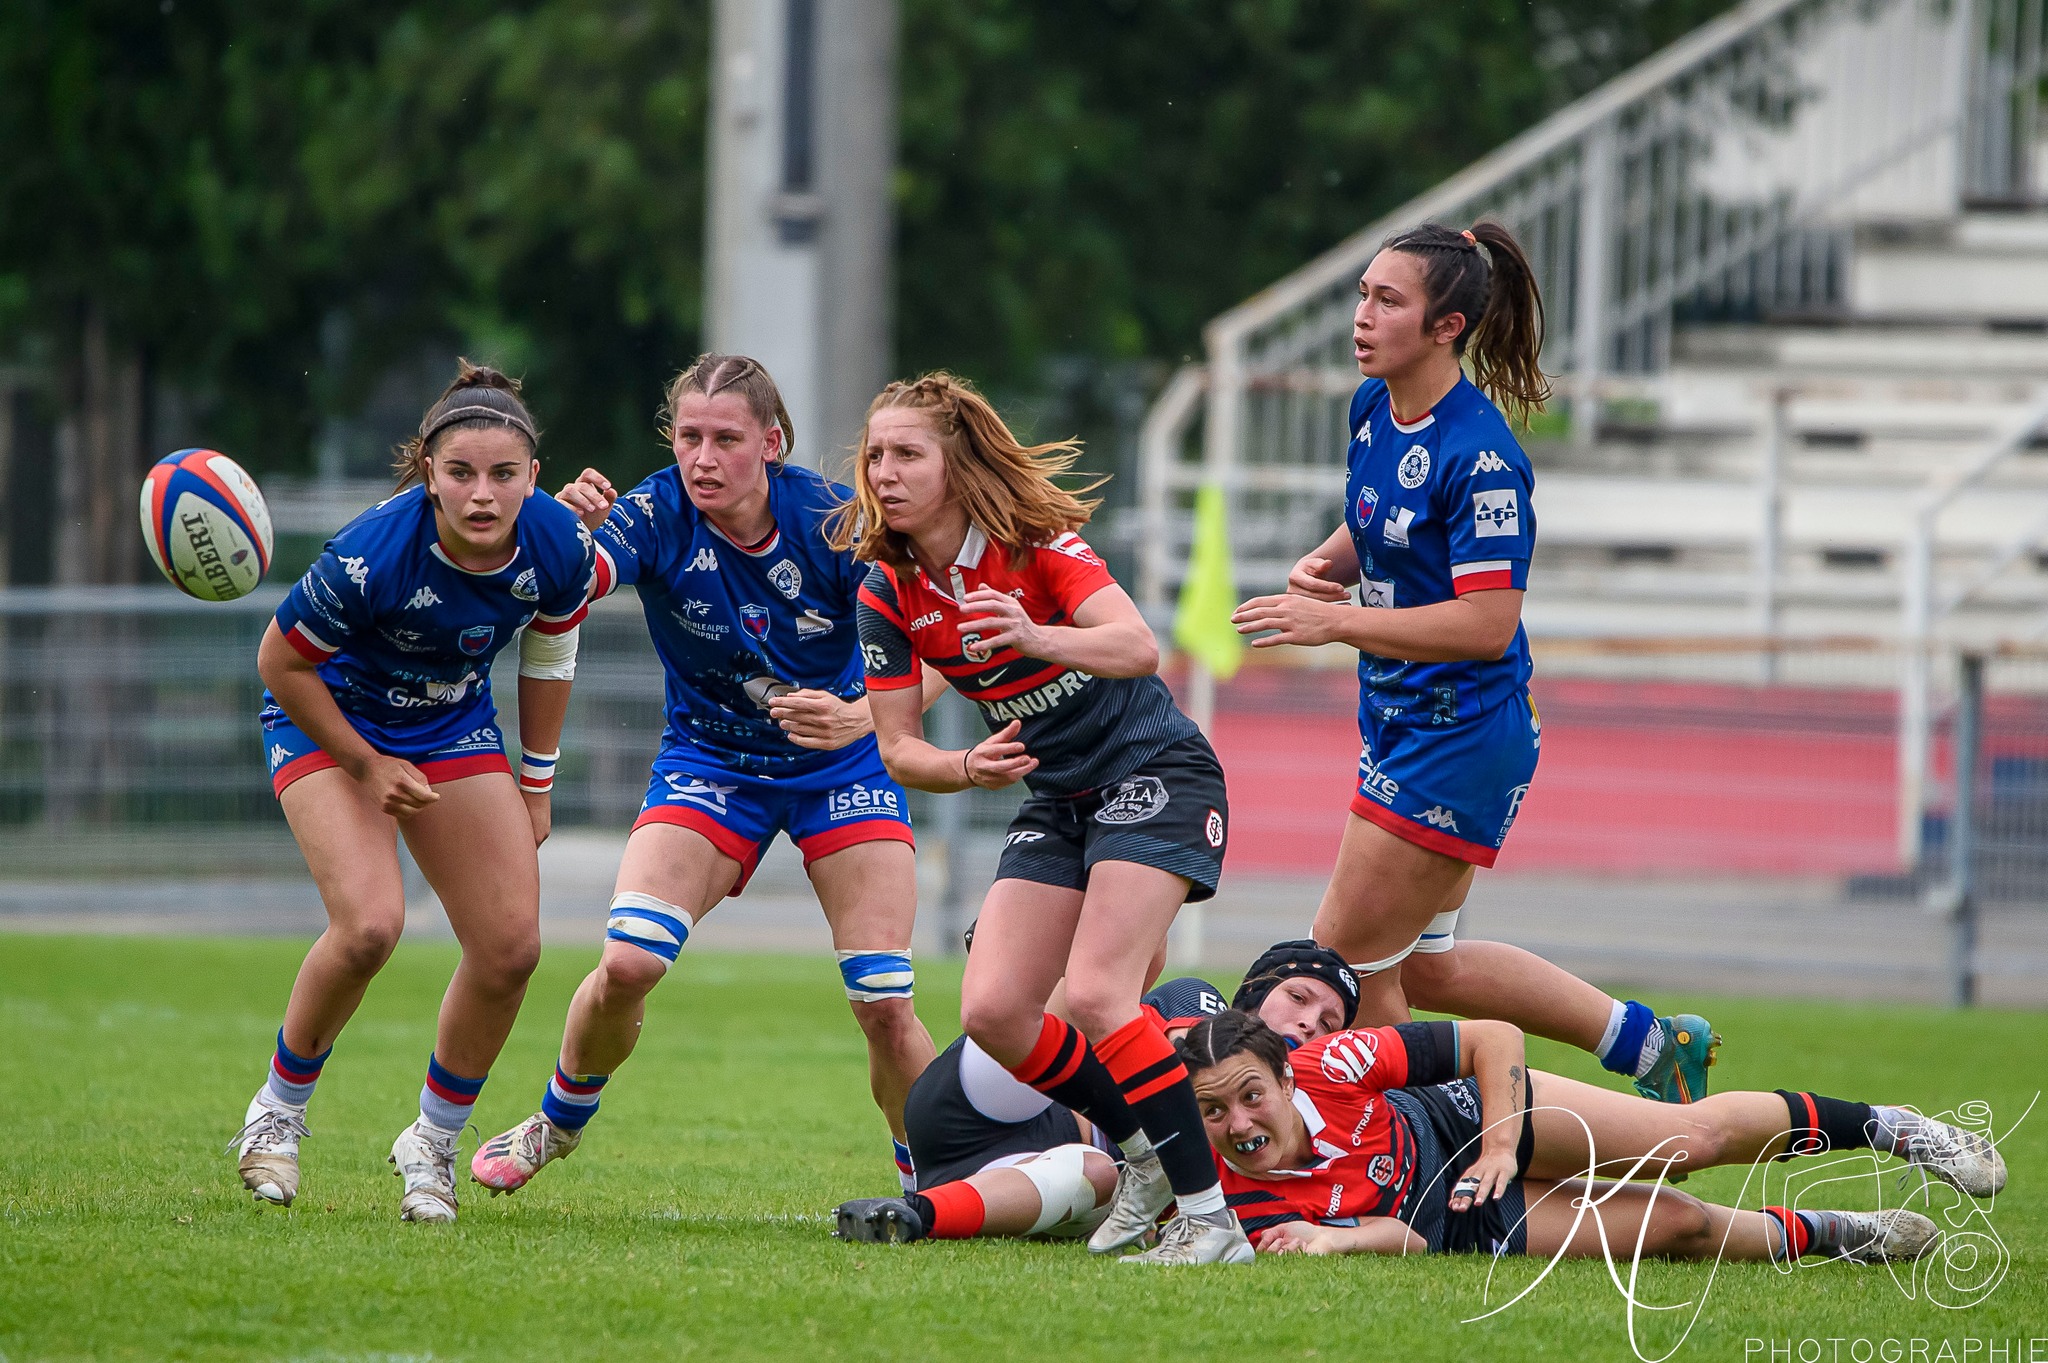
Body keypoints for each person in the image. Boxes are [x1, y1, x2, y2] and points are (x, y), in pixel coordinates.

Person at [1230, 220, 1718, 1104]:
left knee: (1342, 967)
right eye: (1363, 294)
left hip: (1456, 740)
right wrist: (1330, 563)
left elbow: (1487, 624)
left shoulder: (1484, 458)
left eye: (1388, 300)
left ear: (1446, 326)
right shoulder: (1374, 406)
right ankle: (1652, 1045)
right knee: (1433, 971)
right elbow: (1381, 517)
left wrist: (1335, 626)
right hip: (1403, 720)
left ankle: (1424, 1153)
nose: (1362, 317)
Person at [471, 354, 938, 1198]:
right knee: (628, 965)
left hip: (844, 764)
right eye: (689, 437)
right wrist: (559, 524)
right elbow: (572, 585)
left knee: (883, 1000)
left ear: (773, 443)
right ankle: (556, 1119)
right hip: (711, 762)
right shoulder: (654, 511)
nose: (703, 458)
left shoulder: (833, 521)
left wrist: (862, 714)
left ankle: (934, 1177)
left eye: (726, 438)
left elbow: (931, 646)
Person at [843, 371, 1251, 1266]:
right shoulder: (886, 590)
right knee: (993, 1008)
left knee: (1104, 992)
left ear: (957, 464)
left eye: (907, 453)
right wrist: (964, 766)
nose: (886, 471)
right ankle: (1141, 1153)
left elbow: (1138, 645)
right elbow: (897, 747)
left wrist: (1036, 636)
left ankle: (1212, 1219)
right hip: (1059, 797)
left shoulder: (1037, 544)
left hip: (1157, 773)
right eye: (876, 455)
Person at [231, 362, 597, 1222]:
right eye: (461, 473)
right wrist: (361, 764)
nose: (481, 493)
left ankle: (430, 1142)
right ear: (428, 472)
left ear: (532, 478)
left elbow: (552, 643)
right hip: (328, 718)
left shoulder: (556, 542)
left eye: (503, 474)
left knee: (510, 948)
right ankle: (274, 1116)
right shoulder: (372, 552)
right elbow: (279, 662)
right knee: (369, 926)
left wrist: (535, 785)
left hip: (447, 725)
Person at [1178, 1009, 2004, 1263]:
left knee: (1690, 1138)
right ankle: (1847, 1234)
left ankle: (1900, 1131)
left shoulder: (1333, 1060)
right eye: (1215, 1112)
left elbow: (1492, 1036)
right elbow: (1405, 1237)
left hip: (1466, 1119)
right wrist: (1334, 1245)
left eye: (1251, 1096)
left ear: (1286, 1078)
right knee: (1678, 1220)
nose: (1239, 1125)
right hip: (1454, 1217)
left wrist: (1500, 1143)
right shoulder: (1228, 1196)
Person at [831, 939, 1362, 1245]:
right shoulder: (1198, 1002)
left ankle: (916, 1211)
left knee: (1096, 1173)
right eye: (1298, 997)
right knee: (1127, 957)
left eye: (1329, 1020)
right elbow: (1185, 1075)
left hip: (1030, 1176)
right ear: (1255, 990)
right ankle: (1029, 957)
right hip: (1008, 1108)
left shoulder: (1306, 1117)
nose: (1310, 1023)